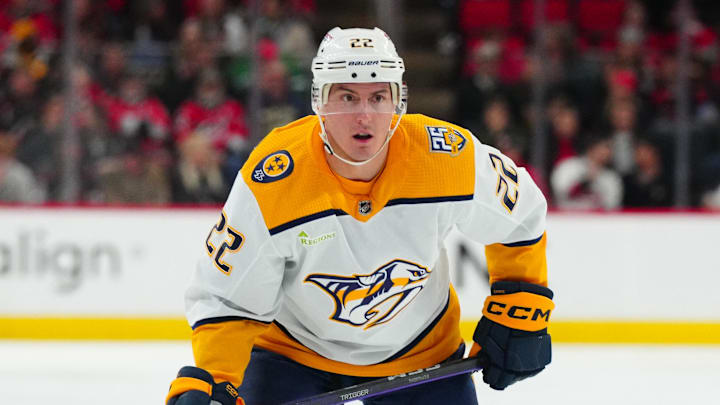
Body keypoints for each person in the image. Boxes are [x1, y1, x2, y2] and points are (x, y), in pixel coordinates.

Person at [166, 27, 554, 405]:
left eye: (378, 97)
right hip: (292, 353)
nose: (364, 116)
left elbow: (520, 216)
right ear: (319, 100)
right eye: (347, 97)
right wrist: (216, 380)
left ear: (398, 100)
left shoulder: (446, 159)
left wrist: (521, 301)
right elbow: (229, 296)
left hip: (419, 353)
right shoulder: (274, 179)